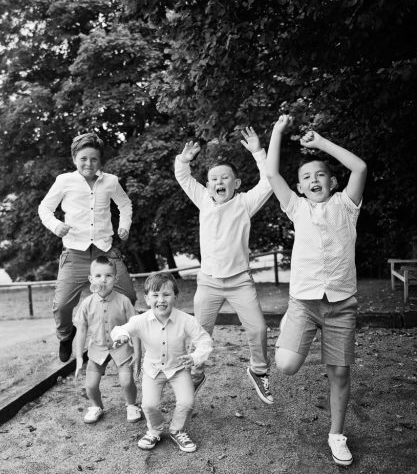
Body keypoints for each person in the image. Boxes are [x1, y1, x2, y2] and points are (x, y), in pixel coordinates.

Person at [265, 114, 367, 467]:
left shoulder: (347, 206)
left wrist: (320, 143)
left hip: (341, 305)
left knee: (339, 372)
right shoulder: (296, 208)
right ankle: (289, 339)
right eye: (306, 177)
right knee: (286, 364)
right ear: (300, 187)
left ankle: (336, 435)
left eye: (320, 174)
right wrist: (278, 131)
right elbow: (272, 175)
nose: (313, 180)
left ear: (333, 182)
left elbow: (361, 167)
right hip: (304, 304)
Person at [174, 127, 274, 404]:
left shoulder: (244, 203)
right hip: (208, 282)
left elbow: (268, 181)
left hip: (240, 281)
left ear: (237, 183)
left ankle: (259, 370)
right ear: (207, 186)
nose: (219, 181)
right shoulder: (203, 200)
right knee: (200, 334)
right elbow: (182, 177)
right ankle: (196, 375)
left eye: (225, 177)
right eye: (214, 178)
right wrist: (184, 160)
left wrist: (257, 151)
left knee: (258, 329)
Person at [38, 133, 137, 362]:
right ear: (74, 158)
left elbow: (125, 204)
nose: (88, 164)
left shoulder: (110, 181)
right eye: (83, 158)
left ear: (100, 160)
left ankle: (114, 335)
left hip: (105, 250)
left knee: (129, 295)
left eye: (94, 159)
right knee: (62, 305)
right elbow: (45, 209)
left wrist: (124, 225)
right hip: (75, 252)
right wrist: (56, 226)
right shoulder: (64, 181)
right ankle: (65, 335)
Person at [110, 273, 213, 453]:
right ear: (147, 298)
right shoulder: (141, 320)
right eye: (155, 295)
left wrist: (195, 357)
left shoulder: (186, 320)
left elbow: (205, 341)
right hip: (153, 369)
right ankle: (154, 430)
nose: (161, 300)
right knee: (148, 405)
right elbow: (121, 329)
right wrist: (123, 336)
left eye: (166, 294)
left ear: (175, 296)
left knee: (187, 402)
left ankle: (177, 430)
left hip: (179, 368)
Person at [74, 256, 142, 424]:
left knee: (126, 382)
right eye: (98, 276)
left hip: (122, 347)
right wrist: (79, 357)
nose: (103, 280)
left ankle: (132, 405)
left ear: (115, 279)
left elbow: (135, 327)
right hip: (98, 348)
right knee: (90, 386)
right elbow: (81, 329)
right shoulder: (87, 303)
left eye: (108, 276)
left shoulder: (124, 301)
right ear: (91, 279)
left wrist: (138, 353)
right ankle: (96, 406)